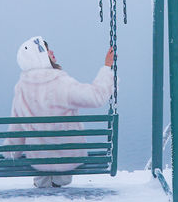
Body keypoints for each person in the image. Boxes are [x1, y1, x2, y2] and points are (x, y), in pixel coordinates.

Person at [6, 36, 114, 189]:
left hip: (39, 159)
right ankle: (59, 180)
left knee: (41, 151)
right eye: (46, 50)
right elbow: (96, 97)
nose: (52, 52)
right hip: (66, 159)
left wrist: (11, 154)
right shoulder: (61, 83)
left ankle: (42, 182)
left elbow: (16, 128)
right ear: (40, 58)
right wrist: (106, 67)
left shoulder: (22, 88)